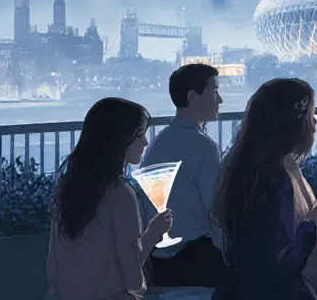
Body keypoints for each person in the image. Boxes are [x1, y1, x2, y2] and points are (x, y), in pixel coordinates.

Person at [212, 78, 317, 300]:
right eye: (310, 114)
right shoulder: (275, 181)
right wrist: (316, 214)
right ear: (293, 122)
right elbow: (280, 263)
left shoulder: (249, 169)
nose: (315, 122)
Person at [46, 97, 173, 300]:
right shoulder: (121, 195)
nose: (146, 141)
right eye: (139, 134)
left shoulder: (66, 187)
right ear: (118, 139)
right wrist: (153, 233)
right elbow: (132, 279)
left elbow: (53, 270)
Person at [140, 63, 226, 288]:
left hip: (160, 260)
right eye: (214, 92)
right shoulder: (204, 147)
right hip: (194, 259)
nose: (220, 100)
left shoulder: (158, 142)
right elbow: (216, 213)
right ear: (193, 96)